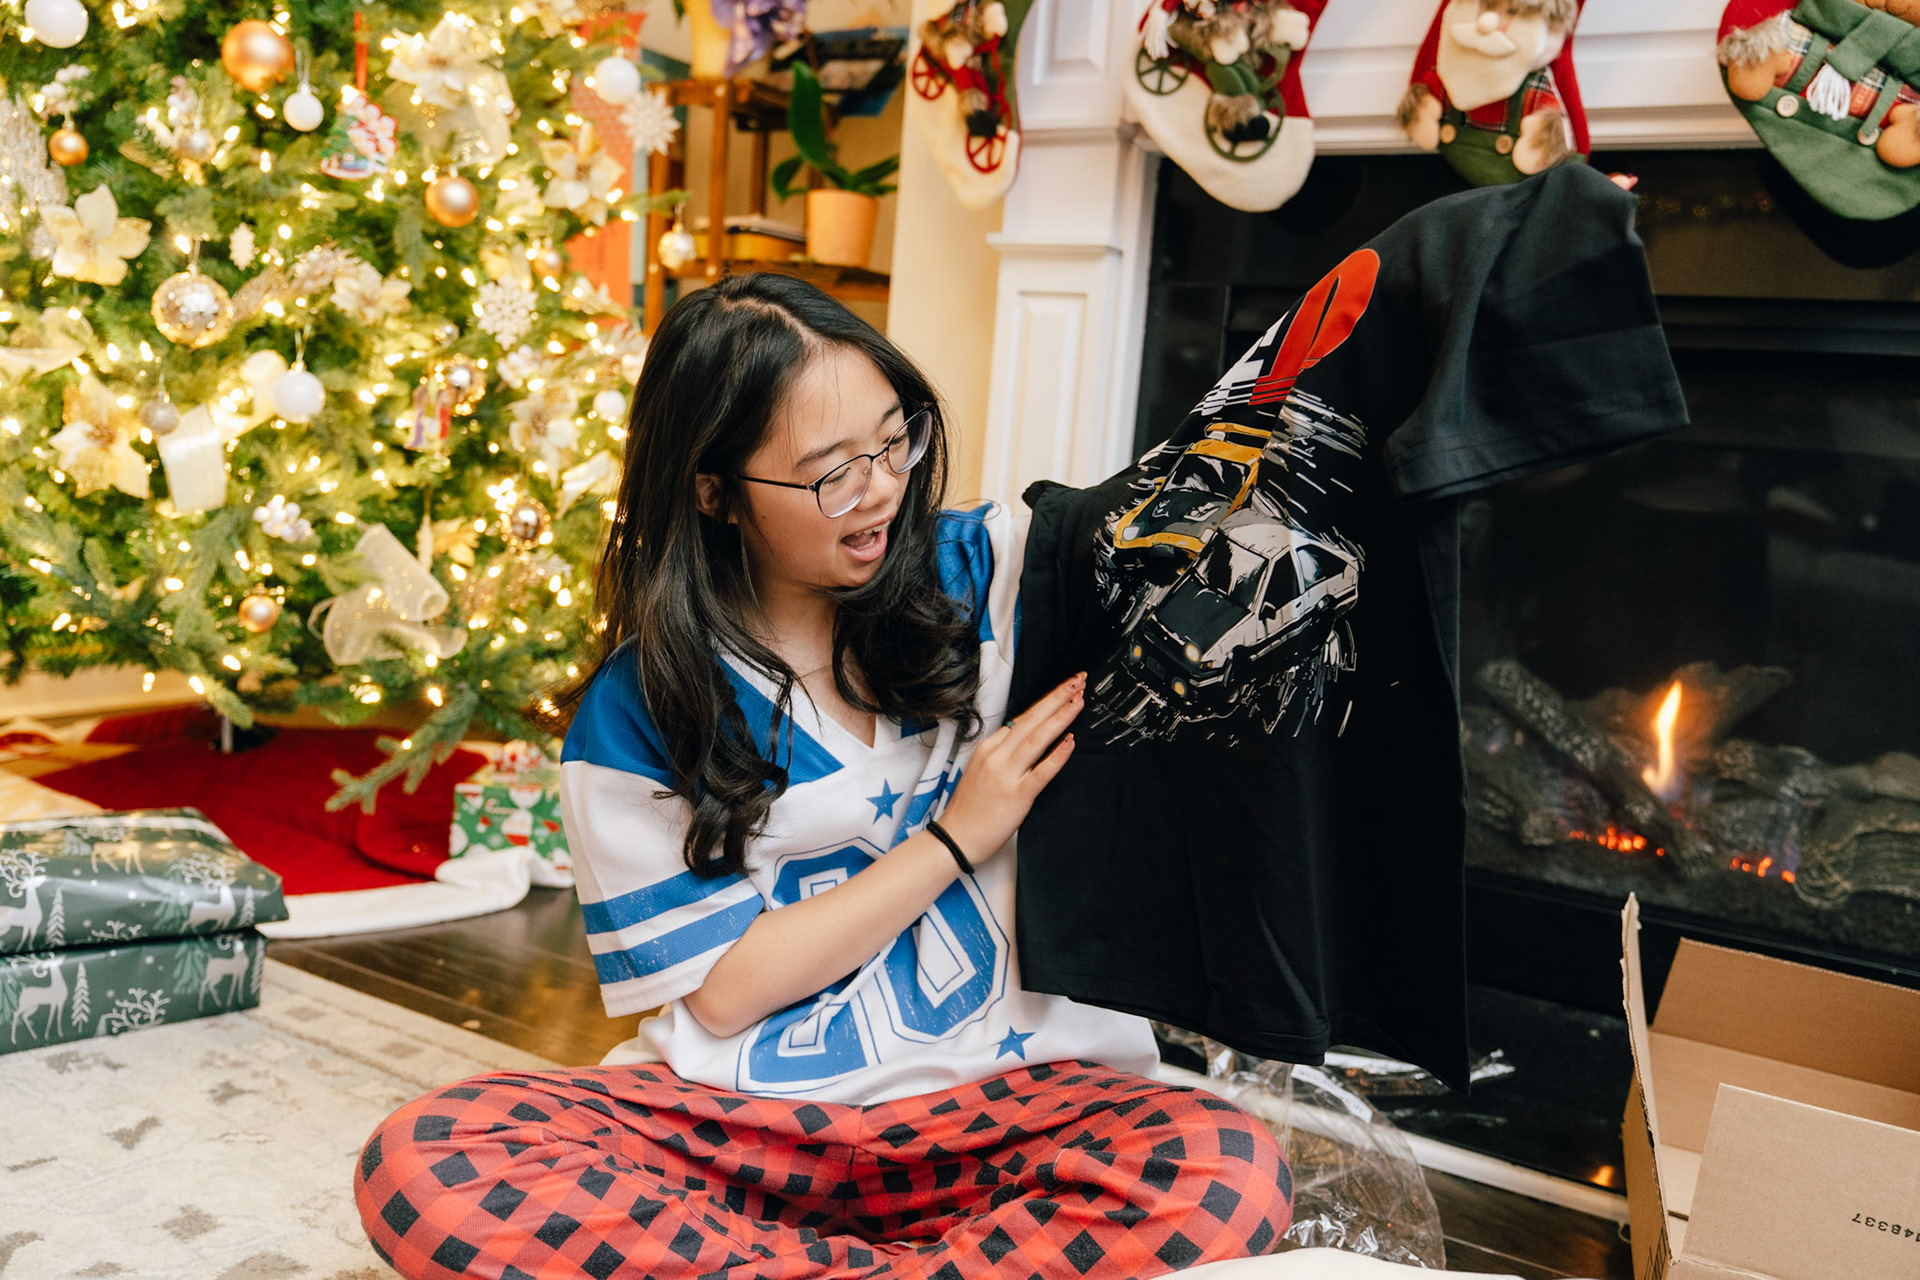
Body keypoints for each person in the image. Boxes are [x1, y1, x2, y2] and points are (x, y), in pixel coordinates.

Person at [353, 273, 1292, 1279]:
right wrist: (956, 837)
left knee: (1227, 1169)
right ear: (715, 491)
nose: (882, 487)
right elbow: (726, 993)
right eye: (831, 471)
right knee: (427, 1159)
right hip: (747, 1127)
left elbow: (1199, 493)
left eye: (894, 440)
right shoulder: (640, 709)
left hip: (1014, 1111)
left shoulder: (988, 572)